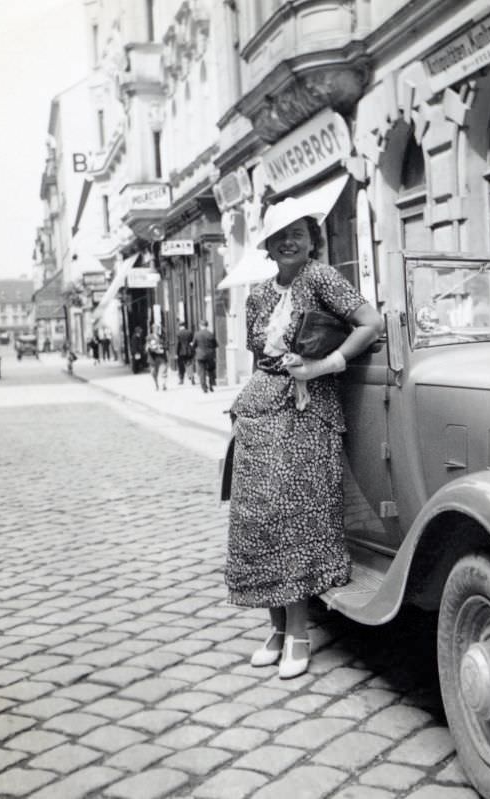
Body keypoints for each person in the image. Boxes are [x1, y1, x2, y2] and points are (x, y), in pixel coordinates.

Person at [225, 196, 383, 679]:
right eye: (280, 235)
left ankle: (298, 632)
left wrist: (322, 367)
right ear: (269, 247)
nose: (290, 240)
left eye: (299, 231)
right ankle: (275, 629)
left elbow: (370, 323)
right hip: (259, 413)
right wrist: (243, 409)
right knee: (257, 521)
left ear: (312, 239)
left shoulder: (322, 278)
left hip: (307, 412)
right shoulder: (257, 295)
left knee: (294, 518)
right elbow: (259, 360)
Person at [192, 320, 218, 393]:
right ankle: (211, 385)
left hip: (200, 355)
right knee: (210, 370)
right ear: (207, 325)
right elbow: (215, 345)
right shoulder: (210, 334)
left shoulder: (197, 334)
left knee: (202, 371)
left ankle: (204, 388)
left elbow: (194, 345)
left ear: (201, 325)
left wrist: (195, 348)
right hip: (210, 355)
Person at [146, 324, 168, 390]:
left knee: (164, 370)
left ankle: (164, 384)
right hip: (153, 357)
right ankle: (156, 384)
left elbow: (166, 345)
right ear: (153, 329)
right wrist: (150, 348)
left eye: (158, 329)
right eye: (155, 328)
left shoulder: (162, 336)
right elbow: (147, 347)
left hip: (161, 357)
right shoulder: (149, 337)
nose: (157, 330)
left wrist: (162, 348)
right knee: (153, 372)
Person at [176, 321, 195, 385]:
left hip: (181, 352)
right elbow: (192, 342)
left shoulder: (178, 333)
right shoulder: (189, 332)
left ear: (180, 326)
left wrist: (176, 353)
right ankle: (191, 377)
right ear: (185, 326)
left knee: (181, 366)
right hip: (189, 350)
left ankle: (181, 380)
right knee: (189, 364)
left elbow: (177, 344)